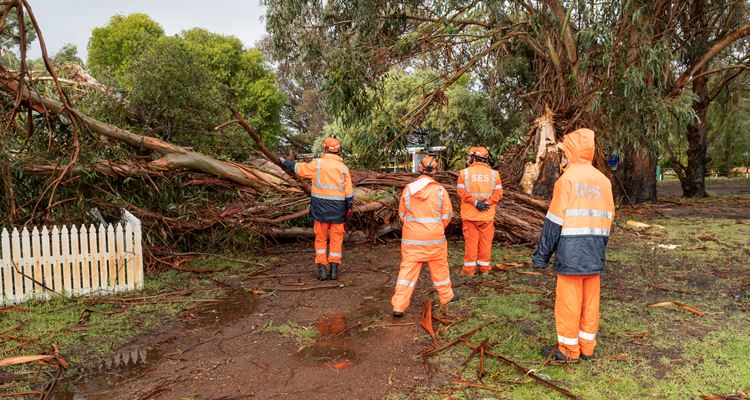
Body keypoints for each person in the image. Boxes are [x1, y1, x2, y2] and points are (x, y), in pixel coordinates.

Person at [531, 128, 615, 362]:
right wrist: (599, 247)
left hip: (570, 253)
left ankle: (568, 350)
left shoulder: (566, 180)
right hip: (595, 251)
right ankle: (587, 346)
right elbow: (609, 218)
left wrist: (541, 256)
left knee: (569, 302)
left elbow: (554, 223)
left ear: (570, 151)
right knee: (590, 302)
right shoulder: (603, 181)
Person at [391, 156, 458, 317]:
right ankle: (446, 296)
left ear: (419, 169)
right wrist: (435, 228)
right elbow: (447, 215)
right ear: (436, 172)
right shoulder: (440, 190)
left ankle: (399, 306)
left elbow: (402, 214)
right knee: (440, 268)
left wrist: (413, 227)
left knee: (407, 271)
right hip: (434, 238)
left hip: (412, 239)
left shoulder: (408, 189)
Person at [281, 137, 354, 280]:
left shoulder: (318, 165)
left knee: (320, 239)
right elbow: (349, 193)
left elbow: (299, 169)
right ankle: (334, 270)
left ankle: (321, 269)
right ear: (338, 150)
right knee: (336, 239)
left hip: (320, 209)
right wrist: (348, 208)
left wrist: (285, 162)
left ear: (325, 149)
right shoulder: (343, 168)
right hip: (338, 210)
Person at [456, 146, 503, 275]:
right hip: (486, 215)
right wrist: (487, 203)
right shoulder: (494, 174)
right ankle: (485, 270)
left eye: (469, 156)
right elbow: (498, 193)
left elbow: (461, 192)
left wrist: (475, 202)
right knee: (486, 243)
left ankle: (469, 271)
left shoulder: (463, 173)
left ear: (474, 157)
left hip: (470, 215)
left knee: (471, 244)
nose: (467, 158)